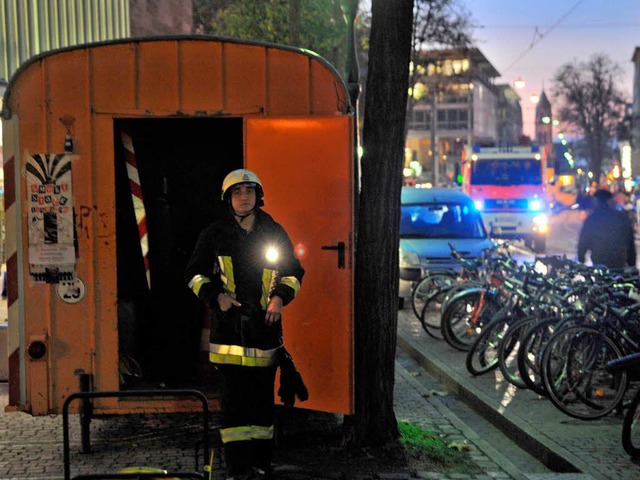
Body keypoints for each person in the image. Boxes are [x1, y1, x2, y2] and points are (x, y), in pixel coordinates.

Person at [185, 169, 305, 480]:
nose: (243, 197)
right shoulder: (213, 234)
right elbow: (194, 274)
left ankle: (262, 464)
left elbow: (293, 272)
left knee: (263, 405)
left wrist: (279, 298)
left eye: (249, 191)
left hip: (264, 334)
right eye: (237, 192)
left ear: (258, 196)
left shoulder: (273, 231)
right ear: (228, 198)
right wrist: (216, 297)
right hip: (228, 335)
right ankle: (238, 468)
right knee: (234, 405)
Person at [577, 189, 636, 270]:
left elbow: (583, 242)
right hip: (619, 260)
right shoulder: (621, 217)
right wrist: (632, 263)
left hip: (599, 261)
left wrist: (581, 260)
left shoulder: (592, 219)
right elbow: (630, 241)